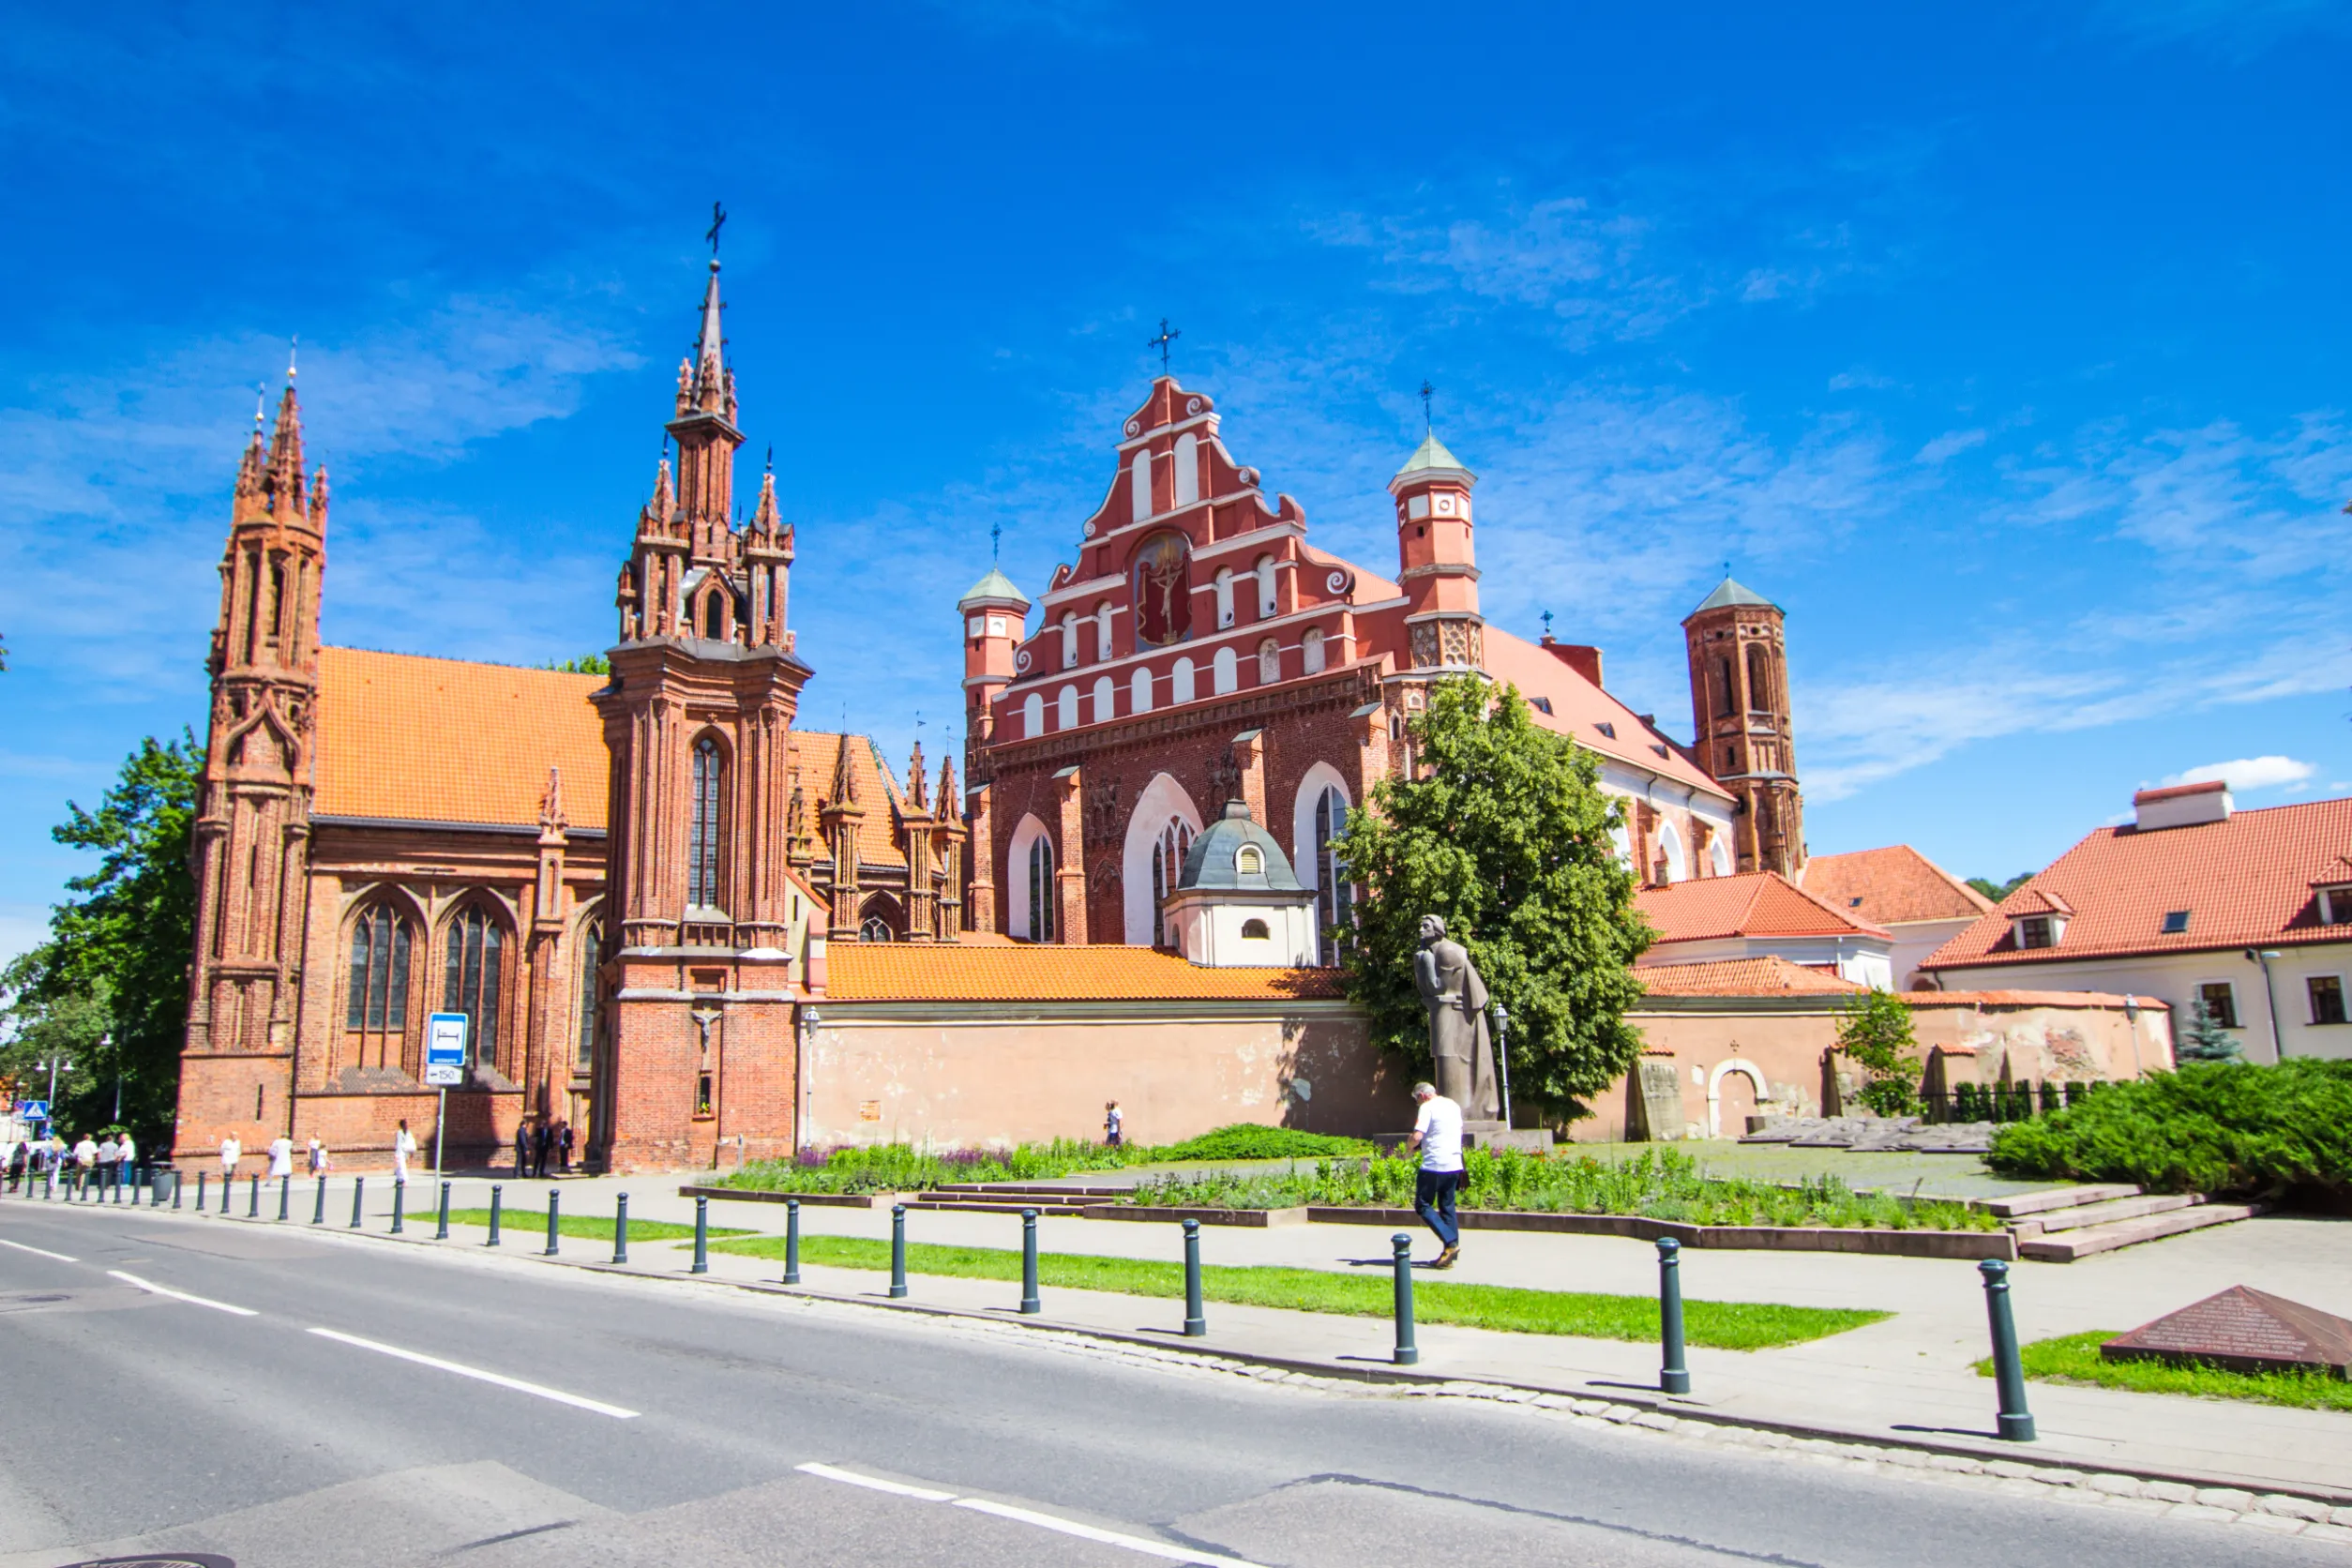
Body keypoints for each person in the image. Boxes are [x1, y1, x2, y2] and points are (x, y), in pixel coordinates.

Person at [1403, 1081, 1465, 1269]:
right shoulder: (1453, 1105)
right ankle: (1449, 1255)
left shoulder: (1427, 1107)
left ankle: (1451, 1242)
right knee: (1447, 1206)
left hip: (1434, 1164)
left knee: (1422, 1205)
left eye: (1416, 1099)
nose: (1417, 1103)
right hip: (1454, 1163)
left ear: (1422, 1095)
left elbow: (1417, 1136)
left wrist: (1408, 1148)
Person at [392, 1120, 416, 1188]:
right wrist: (396, 1155)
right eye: (406, 1124)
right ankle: (400, 1181)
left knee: (401, 1167)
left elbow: (411, 1143)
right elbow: (398, 1144)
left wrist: (412, 1153)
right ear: (402, 1125)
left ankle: (402, 1181)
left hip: (405, 1152)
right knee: (400, 1167)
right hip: (400, 1152)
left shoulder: (408, 1133)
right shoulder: (400, 1133)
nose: (407, 1126)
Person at [116, 1130, 137, 1195]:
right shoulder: (129, 1143)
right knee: (126, 1170)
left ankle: (125, 1183)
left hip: (126, 1159)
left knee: (125, 1171)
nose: (120, 1138)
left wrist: (119, 1158)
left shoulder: (127, 1143)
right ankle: (125, 1182)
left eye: (122, 1137)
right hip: (127, 1158)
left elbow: (125, 1152)